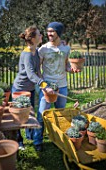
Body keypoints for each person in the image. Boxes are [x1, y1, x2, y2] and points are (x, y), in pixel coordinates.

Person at [33, 21, 79, 151]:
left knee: (61, 114)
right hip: (47, 87)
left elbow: (66, 65)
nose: (49, 34)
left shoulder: (66, 48)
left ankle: (59, 139)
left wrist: (71, 69)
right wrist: (43, 85)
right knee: (41, 114)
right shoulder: (43, 49)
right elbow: (37, 70)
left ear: (58, 32)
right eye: (48, 31)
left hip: (62, 86)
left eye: (52, 31)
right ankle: (37, 142)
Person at [11, 25, 50, 150]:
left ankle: (30, 136)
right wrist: (42, 83)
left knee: (30, 115)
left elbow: (38, 70)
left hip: (31, 89)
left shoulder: (36, 51)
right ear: (33, 39)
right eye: (39, 34)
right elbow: (30, 74)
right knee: (18, 117)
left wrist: (43, 84)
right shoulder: (26, 54)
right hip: (20, 89)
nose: (41, 36)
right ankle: (19, 141)